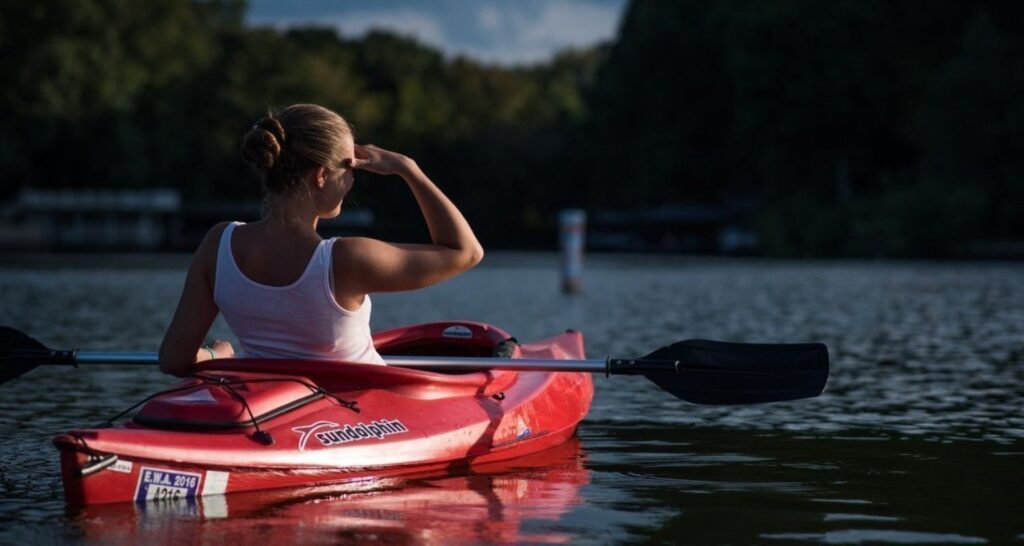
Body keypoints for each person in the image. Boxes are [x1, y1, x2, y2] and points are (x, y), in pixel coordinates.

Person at [158, 104, 484, 376]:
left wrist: (218, 357)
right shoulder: (346, 259)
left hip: (275, 411)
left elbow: (174, 360)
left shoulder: (218, 243)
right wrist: (409, 170)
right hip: (358, 418)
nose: (354, 177)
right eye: (350, 166)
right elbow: (466, 251)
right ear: (321, 176)